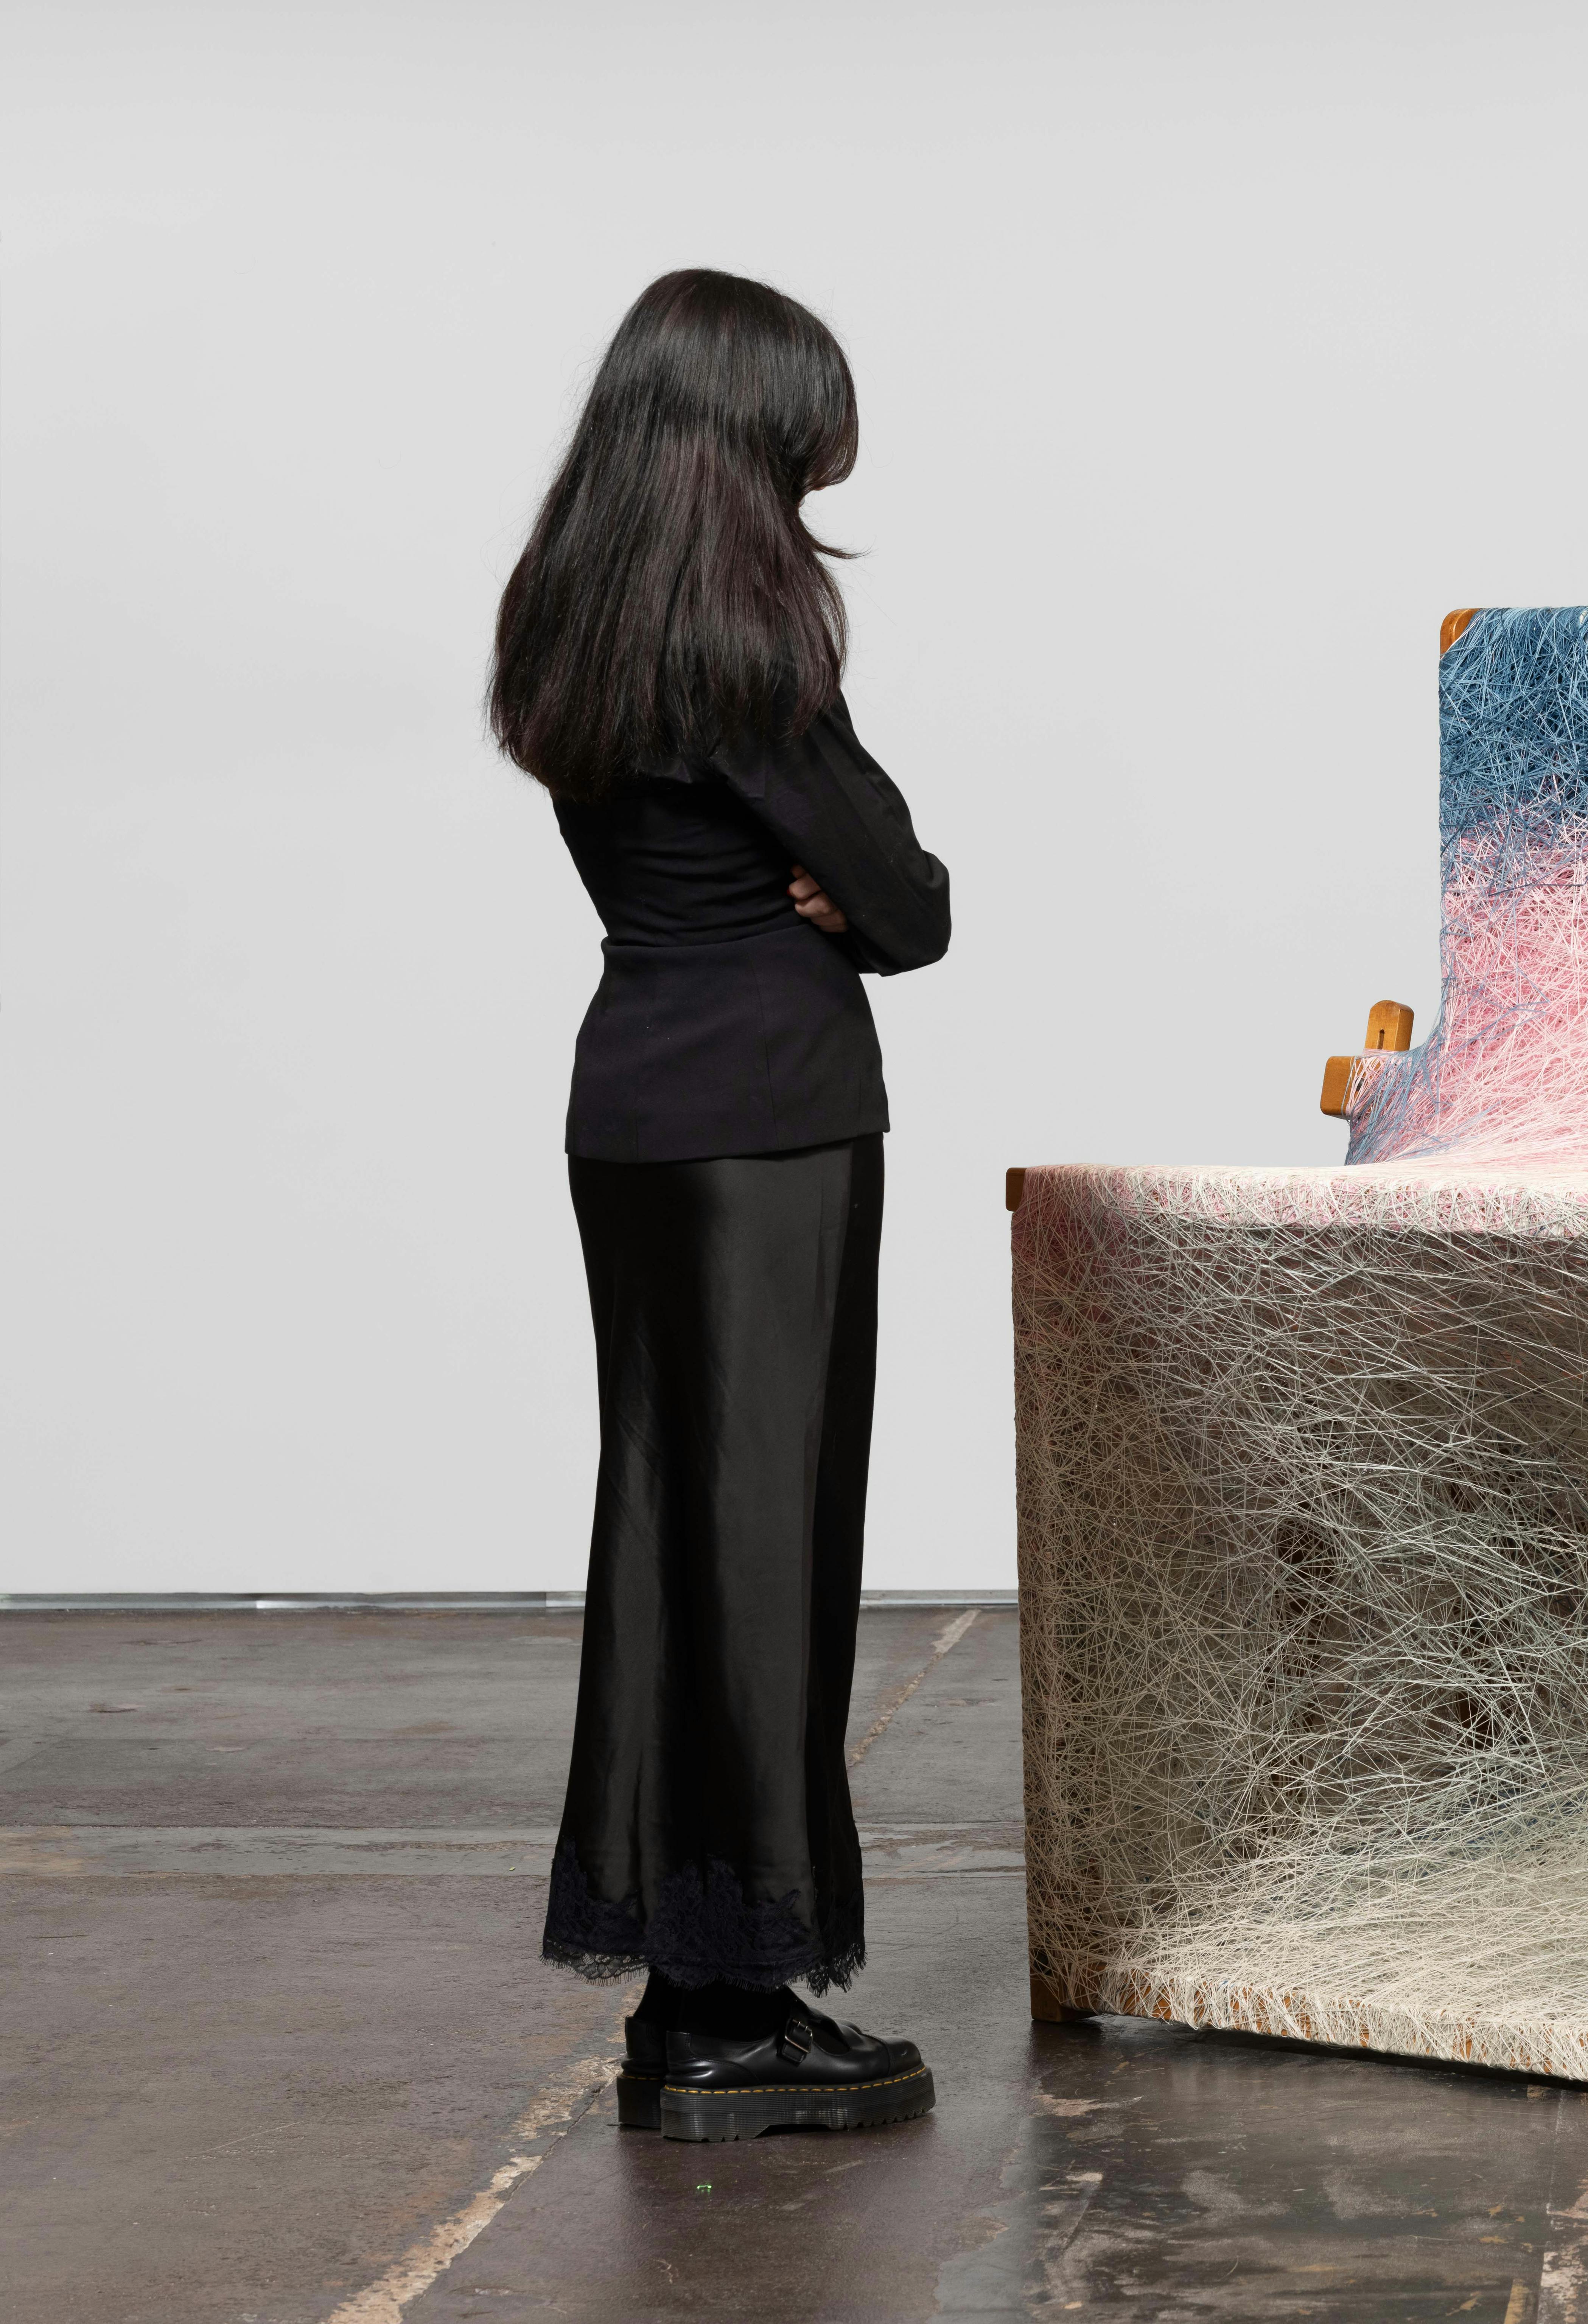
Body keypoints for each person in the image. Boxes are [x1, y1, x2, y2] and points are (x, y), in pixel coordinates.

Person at [490, 269, 950, 2143]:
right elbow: (910, 905)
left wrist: (841, 882)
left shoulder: (570, 621)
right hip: (772, 1126)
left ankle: (687, 1989)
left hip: (633, 1116)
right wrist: (849, 888)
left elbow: (861, 888)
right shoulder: (751, 654)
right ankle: (737, 2016)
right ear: (742, 445)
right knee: (770, 1562)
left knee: (676, 1542)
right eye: (796, 450)